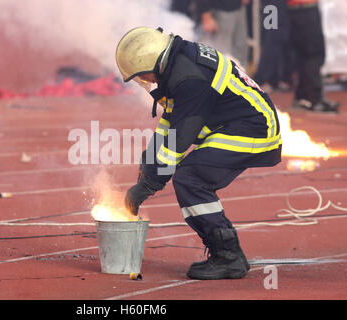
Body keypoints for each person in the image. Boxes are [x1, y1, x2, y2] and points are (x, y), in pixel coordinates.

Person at [116, 27, 282, 280]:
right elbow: (168, 126)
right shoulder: (176, 64)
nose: (146, 82)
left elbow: (181, 138)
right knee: (188, 176)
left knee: (191, 178)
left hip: (255, 128)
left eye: (142, 76)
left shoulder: (189, 78)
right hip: (236, 124)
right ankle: (226, 253)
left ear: (152, 61)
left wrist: (149, 185)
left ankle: (228, 256)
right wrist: (147, 171)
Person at [288, 0, 339, 113]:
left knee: (304, 53)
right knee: (314, 53)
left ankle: (303, 97)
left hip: (298, 9)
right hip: (304, 7)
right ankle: (314, 98)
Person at [197, 0, 250, 68]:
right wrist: (206, 15)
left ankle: (241, 77)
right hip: (220, 10)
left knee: (240, 51)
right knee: (222, 56)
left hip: (239, 7)